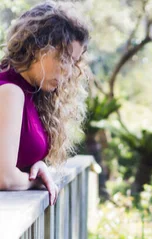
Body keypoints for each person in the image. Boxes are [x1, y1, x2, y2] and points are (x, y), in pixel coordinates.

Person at [0, 1, 90, 205]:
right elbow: (3, 177)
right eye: (64, 58)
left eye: (74, 63)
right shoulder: (10, 91)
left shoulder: (31, 93)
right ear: (39, 46)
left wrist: (38, 165)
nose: (68, 71)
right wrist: (37, 181)